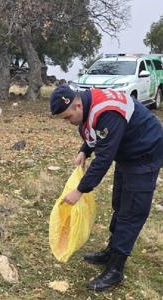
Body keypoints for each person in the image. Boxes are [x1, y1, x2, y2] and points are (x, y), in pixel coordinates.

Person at [49, 84, 163, 291]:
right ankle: (111, 250)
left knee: (132, 211)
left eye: (67, 117)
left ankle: (116, 269)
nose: (67, 122)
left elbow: (104, 158)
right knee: (119, 203)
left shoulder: (107, 111)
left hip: (145, 153)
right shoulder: (87, 104)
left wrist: (80, 190)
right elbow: (97, 134)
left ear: (77, 104)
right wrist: (85, 149)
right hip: (127, 151)